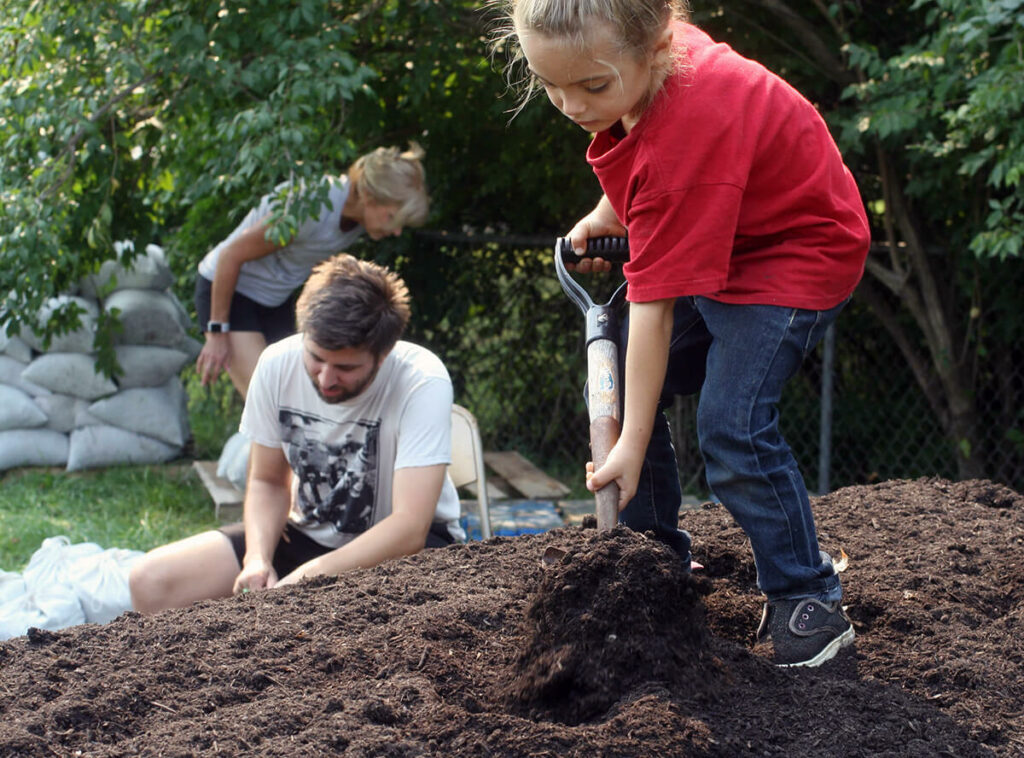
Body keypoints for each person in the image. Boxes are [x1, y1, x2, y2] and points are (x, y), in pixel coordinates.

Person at [495, 0, 870, 667]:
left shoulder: (691, 128)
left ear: (657, 48)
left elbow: (653, 304)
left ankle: (807, 597)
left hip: (797, 250)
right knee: (637, 384)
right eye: (550, 85)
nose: (572, 104)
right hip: (729, 232)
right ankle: (652, 564)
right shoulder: (640, 65)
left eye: (592, 86)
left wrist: (631, 442)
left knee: (732, 426)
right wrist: (604, 212)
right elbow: (638, 147)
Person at [130, 254, 464, 613]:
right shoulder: (276, 364)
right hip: (308, 534)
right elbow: (269, 482)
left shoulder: (421, 380)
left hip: (404, 553)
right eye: (316, 358)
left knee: (334, 622)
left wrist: (309, 580)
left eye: (345, 367)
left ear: (382, 355)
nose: (325, 379)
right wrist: (257, 560)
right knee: (150, 581)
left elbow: (409, 527)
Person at [194, 143, 429, 398]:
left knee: (302, 397)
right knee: (269, 398)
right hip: (229, 291)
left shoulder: (359, 219)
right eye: (392, 217)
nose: (396, 231)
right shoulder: (312, 206)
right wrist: (217, 332)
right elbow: (231, 254)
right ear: (370, 196)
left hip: (274, 300)